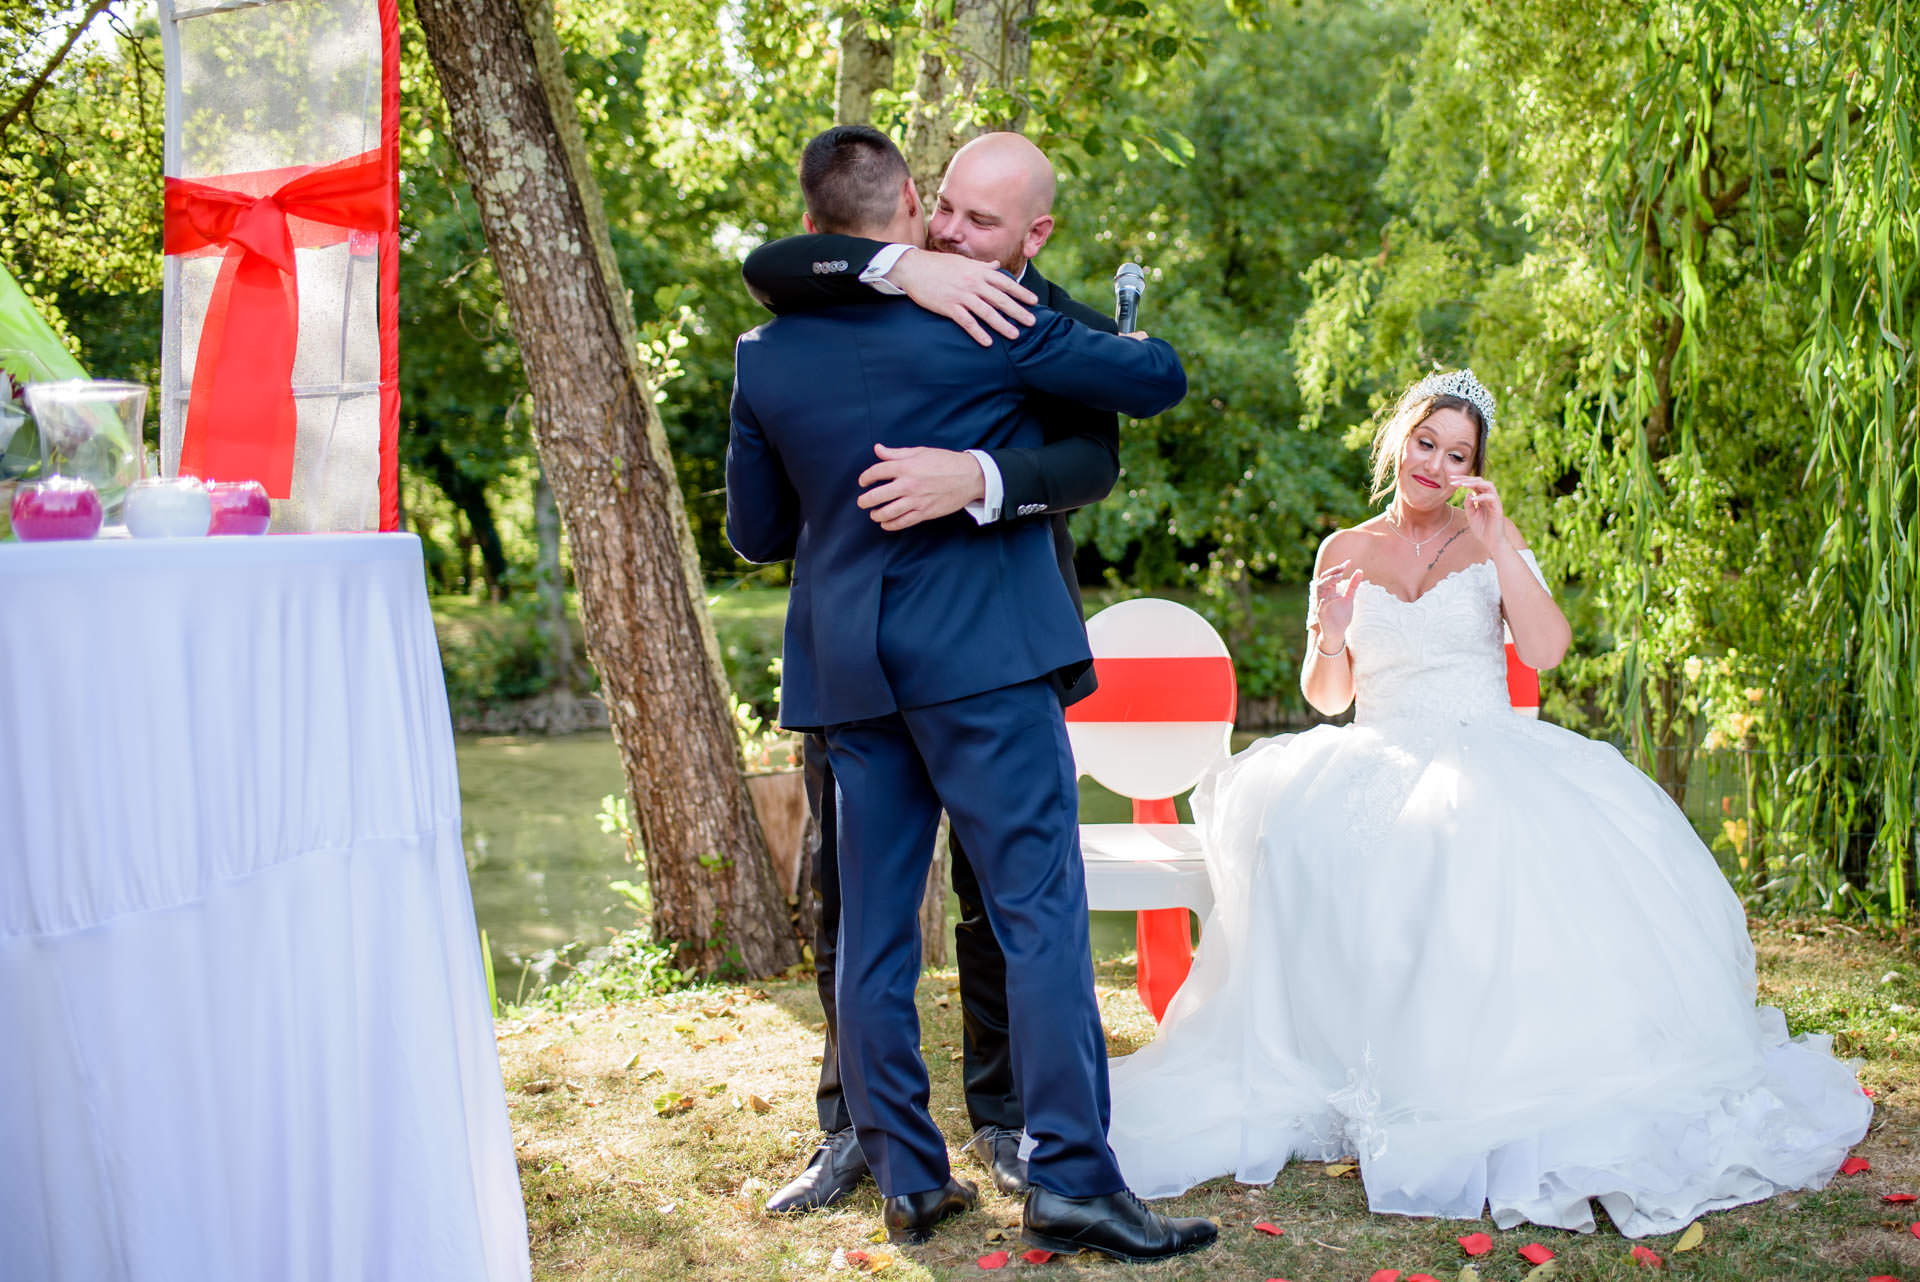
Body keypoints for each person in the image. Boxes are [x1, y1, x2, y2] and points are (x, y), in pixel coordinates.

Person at [1103, 369, 1872, 1237]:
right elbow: (1327, 697)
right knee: (1309, 843)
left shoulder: (1487, 544)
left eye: (1456, 453)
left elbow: (1542, 650)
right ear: (1400, 438)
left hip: (1484, 747)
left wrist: (1502, 543)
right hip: (1377, 748)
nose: (1433, 463)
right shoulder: (1344, 549)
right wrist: (1326, 630)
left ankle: (1485, 1068)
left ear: (1474, 468)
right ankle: (1348, 1063)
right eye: (1425, 442)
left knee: (1475, 849)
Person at [726, 123, 1216, 1262]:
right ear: (909, 207)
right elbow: (1153, 378)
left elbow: (756, 534)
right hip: (983, 664)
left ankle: (908, 1176)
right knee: (1039, 917)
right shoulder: (982, 320)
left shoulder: (765, 354)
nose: (948, 232)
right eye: (936, 210)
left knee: (873, 930)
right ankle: (1075, 1182)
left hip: (851, 669)